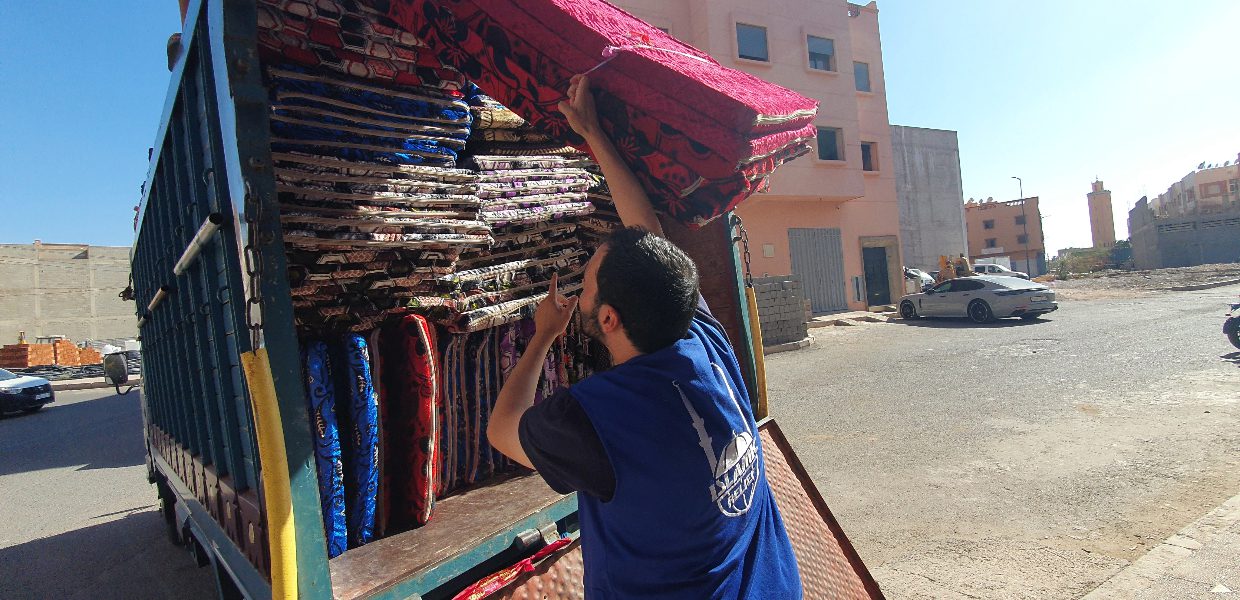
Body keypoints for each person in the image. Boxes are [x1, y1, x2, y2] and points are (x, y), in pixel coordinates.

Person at [487, 75, 803, 599]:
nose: (581, 286)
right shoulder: (701, 338)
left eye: (587, 283)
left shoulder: (595, 419)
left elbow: (502, 430)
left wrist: (542, 337)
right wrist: (594, 135)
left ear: (607, 319)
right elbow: (651, 236)